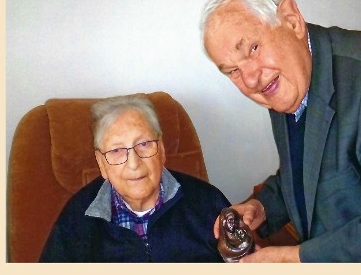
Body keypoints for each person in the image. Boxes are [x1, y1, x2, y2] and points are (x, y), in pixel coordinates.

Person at [201, 0, 361, 263]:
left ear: (291, 20)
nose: (250, 80)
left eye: (253, 49)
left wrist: (293, 258)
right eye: (233, 71)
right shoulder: (287, 77)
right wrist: (262, 206)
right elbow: (308, 169)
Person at [40, 95, 230, 262]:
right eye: (116, 150)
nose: (133, 163)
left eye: (144, 144)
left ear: (161, 150)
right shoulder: (77, 219)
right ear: (101, 163)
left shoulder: (207, 202)